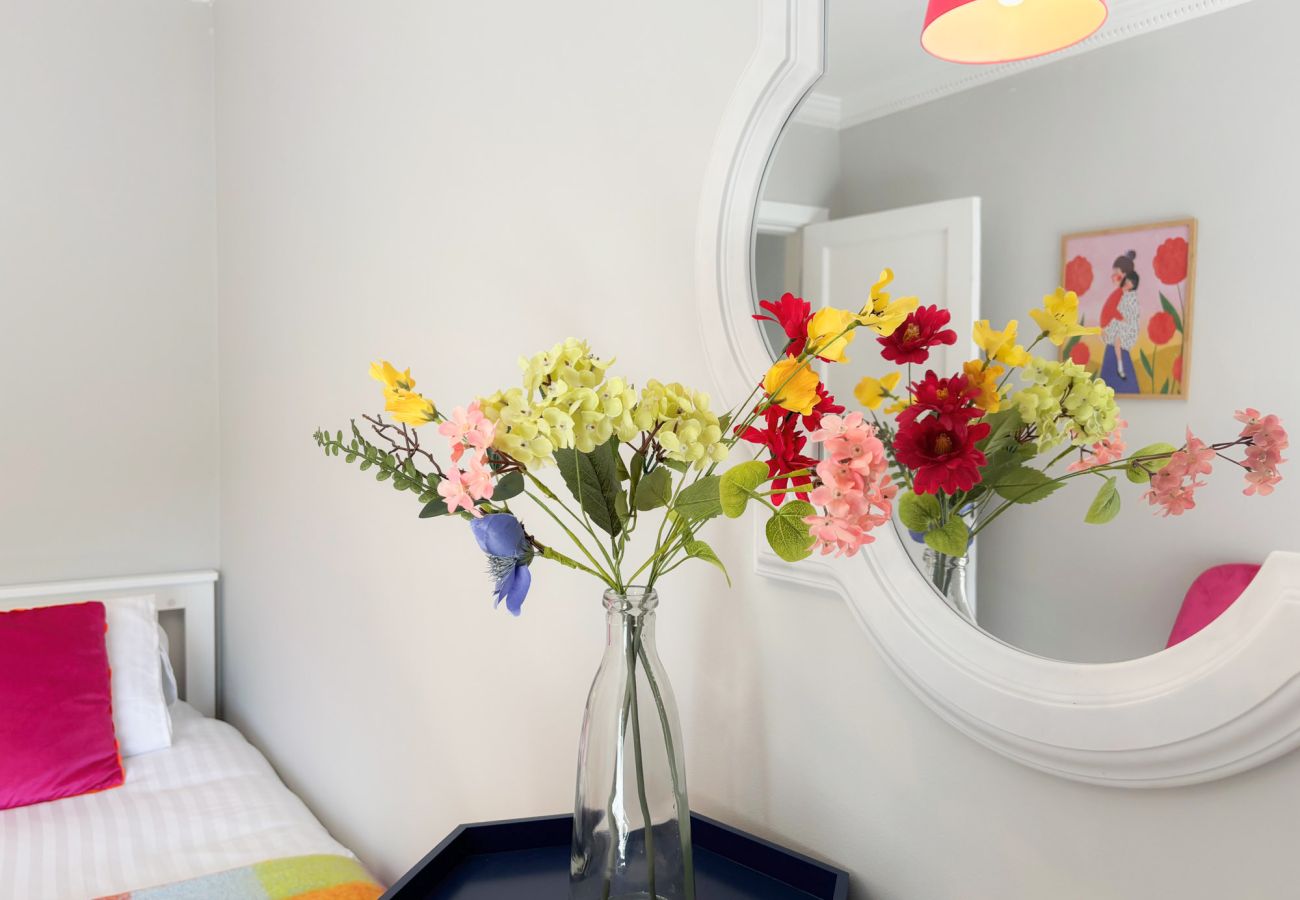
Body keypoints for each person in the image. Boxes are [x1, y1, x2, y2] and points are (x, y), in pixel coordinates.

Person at [1099, 251, 1141, 382]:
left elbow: (1126, 318)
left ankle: (1121, 368)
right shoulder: (1118, 295)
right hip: (1113, 339)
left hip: (1119, 341)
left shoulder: (1128, 298)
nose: (1113, 278)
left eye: (1117, 275)